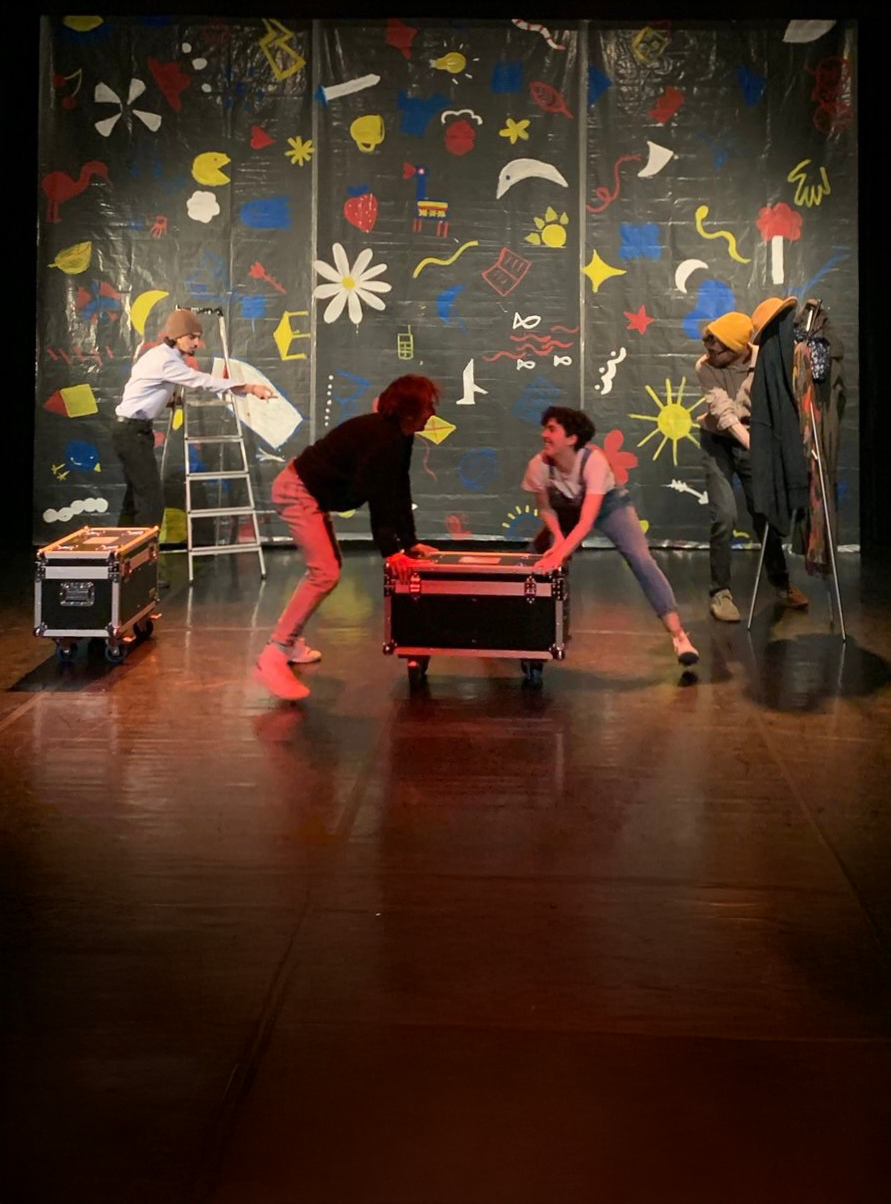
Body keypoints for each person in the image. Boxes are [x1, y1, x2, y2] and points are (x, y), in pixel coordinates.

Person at [253, 374, 440, 701]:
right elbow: (379, 497)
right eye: (428, 406)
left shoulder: (400, 436)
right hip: (298, 491)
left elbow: (398, 487)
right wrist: (391, 552)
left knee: (327, 569)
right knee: (325, 573)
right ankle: (274, 654)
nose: (432, 413)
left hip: (309, 493)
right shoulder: (383, 439)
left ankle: (290, 641)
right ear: (409, 410)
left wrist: (409, 541)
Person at [523, 406, 699, 667]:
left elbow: (587, 520)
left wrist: (560, 554)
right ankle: (527, 640)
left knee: (641, 560)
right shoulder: (538, 466)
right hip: (565, 509)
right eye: (545, 429)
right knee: (534, 559)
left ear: (571, 438)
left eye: (552, 430)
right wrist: (558, 539)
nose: (544, 435)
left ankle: (679, 637)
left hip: (608, 505)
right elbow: (546, 509)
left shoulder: (593, 462)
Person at [113, 308, 274, 583]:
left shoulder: (163, 357)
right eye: (192, 337)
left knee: (135, 501)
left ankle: (121, 563)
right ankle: (142, 570)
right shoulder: (165, 361)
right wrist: (248, 387)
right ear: (176, 336)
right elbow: (203, 381)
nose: (197, 343)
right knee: (151, 503)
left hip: (132, 431)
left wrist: (166, 400)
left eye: (198, 337)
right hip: (131, 433)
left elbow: (140, 388)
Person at [696, 308, 808, 622]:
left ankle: (781, 583)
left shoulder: (764, 361)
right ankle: (720, 593)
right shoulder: (705, 367)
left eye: (716, 350)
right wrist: (753, 445)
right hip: (718, 440)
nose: (709, 354)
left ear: (736, 349)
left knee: (764, 510)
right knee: (724, 516)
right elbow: (723, 412)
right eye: (708, 347)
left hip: (752, 436)